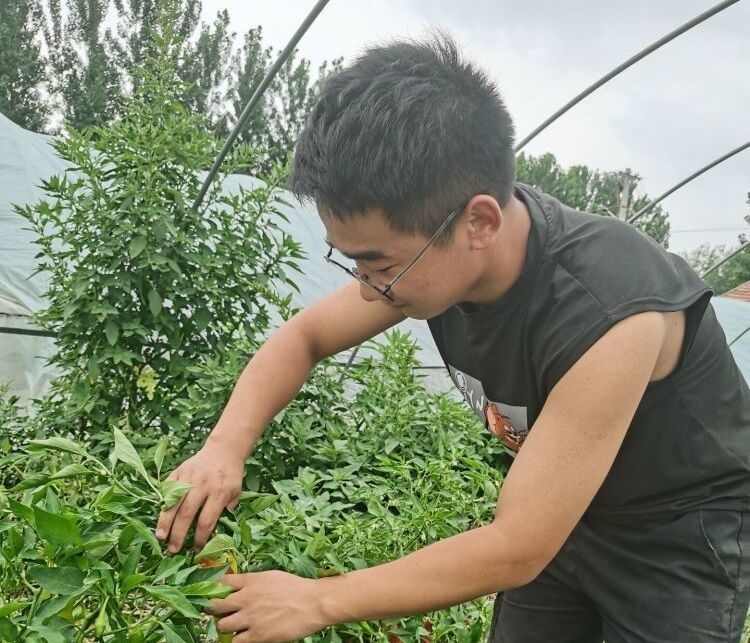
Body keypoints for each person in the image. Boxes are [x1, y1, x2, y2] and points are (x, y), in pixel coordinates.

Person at [155, 33, 750, 643]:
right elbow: (304, 337)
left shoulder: (610, 310)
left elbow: (518, 545)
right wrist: (224, 447)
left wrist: (318, 599)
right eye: (353, 263)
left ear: (479, 223)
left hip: (678, 535)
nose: (368, 292)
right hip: (565, 507)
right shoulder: (441, 255)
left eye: (380, 266)